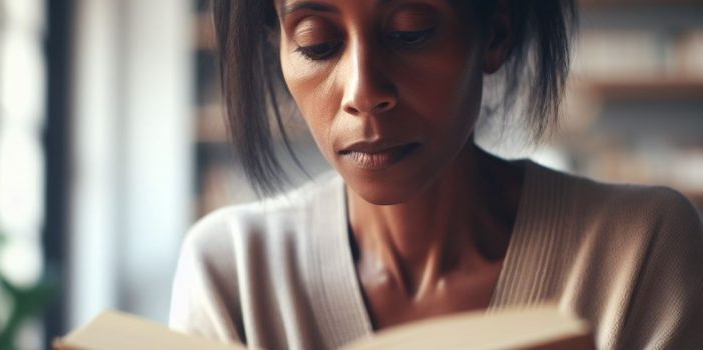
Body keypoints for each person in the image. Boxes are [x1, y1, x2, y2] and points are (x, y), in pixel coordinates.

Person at [169, 0, 703, 349]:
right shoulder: (231, 271)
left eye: (410, 32)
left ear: (494, 35)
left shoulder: (638, 249)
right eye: (316, 42)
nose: (362, 92)